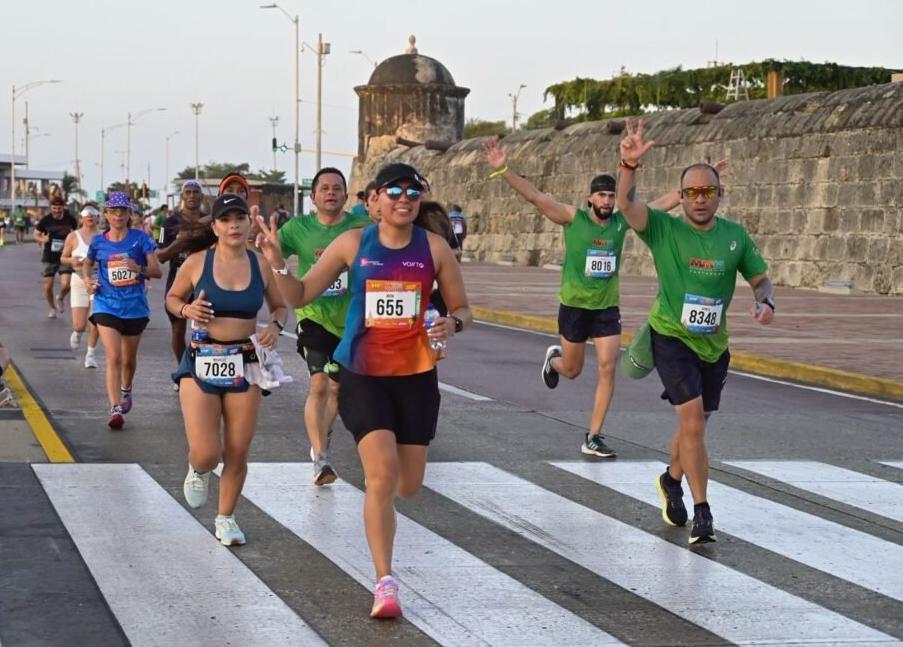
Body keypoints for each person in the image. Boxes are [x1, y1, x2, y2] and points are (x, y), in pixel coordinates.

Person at [255, 161, 472, 619]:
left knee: (408, 485)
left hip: (416, 377)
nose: (404, 200)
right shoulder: (354, 243)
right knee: (381, 478)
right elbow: (299, 296)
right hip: (362, 373)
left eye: (412, 193)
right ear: (376, 199)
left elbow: (463, 309)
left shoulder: (434, 248)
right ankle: (385, 582)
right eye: (394, 192)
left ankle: (385, 563)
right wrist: (276, 262)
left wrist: (452, 323)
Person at [482, 137, 694, 458]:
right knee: (572, 370)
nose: (607, 201)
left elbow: (659, 205)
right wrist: (503, 170)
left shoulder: (622, 221)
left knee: (608, 367)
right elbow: (535, 196)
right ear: (590, 198)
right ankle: (554, 362)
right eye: (601, 195)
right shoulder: (573, 218)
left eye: (611, 195)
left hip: (606, 308)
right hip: (574, 307)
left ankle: (593, 436)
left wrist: (689, 190)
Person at [615, 118, 774, 545]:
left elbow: (760, 278)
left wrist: (766, 301)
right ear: (681, 196)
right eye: (691, 192)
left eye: (708, 191)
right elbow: (626, 205)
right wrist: (628, 165)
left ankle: (670, 479)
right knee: (693, 423)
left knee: (695, 425)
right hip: (671, 336)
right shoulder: (664, 229)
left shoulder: (735, 236)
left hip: (714, 345)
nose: (700, 199)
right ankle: (702, 512)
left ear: (721, 194)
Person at [166, 193, 289, 546]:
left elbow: (280, 307)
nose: (234, 225)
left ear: (249, 222)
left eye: (240, 218)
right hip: (201, 361)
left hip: (245, 364)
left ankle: (226, 518)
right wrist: (187, 310)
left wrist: (274, 327)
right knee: (208, 452)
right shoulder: (197, 262)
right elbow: (172, 299)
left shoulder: (260, 264)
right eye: (225, 219)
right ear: (215, 226)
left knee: (237, 450)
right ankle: (198, 468)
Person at [277, 167, 371, 485]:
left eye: (337, 188)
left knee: (337, 388)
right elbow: (270, 254)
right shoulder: (297, 228)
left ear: (345, 195)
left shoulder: (362, 228)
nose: (331, 192)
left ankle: (323, 435)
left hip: (351, 321)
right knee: (319, 384)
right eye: (325, 188)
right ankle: (321, 459)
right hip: (313, 315)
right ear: (314, 197)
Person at [83, 192, 162, 429]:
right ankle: (115, 408)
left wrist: (138, 268)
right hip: (106, 304)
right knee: (114, 356)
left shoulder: (141, 239)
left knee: (128, 360)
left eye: (122, 211)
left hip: (135, 307)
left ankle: (126, 389)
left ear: (129, 214)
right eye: (113, 211)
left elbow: (157, 271)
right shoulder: (98, 242)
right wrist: (88, 280)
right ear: (106, 215)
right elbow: (88, 263)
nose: (118, 215)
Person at [158, 181, 206, 380]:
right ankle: (183, 371)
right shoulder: (170, 223)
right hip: (179, 281)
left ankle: (204, 370)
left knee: (207, 330)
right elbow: (160, 256)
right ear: (183, 197)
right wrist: (180, 241)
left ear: (201, 196)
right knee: (178, 330)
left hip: (204, 281)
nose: (192, 196)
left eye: (196, 192)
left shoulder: (209, 221)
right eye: (188, 192)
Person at [61, 203, 102, 368]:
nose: (90, 216)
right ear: (81, 218)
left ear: (98, 217)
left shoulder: (104, 236)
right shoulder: (73, 236)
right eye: (86, 213)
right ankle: (77, 332)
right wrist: (72, 260)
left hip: (97, 279)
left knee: (95, 318)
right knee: (79, 325)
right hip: (78, 279)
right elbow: (63, 258)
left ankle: (91, 354)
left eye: (93, 213)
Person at [33, 197, 78, 318]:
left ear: (63, 207)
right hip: (49, 256)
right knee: (48, 286)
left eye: (59, 208)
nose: (57, 210)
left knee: (66, 285)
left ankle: (60, 297)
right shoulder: (45, 220)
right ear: (50, 208)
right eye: (54, 208)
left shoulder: (70, 219)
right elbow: (35, 234)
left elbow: (77, 234)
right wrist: (43, 239)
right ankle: (52, 307)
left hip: (65, 256)